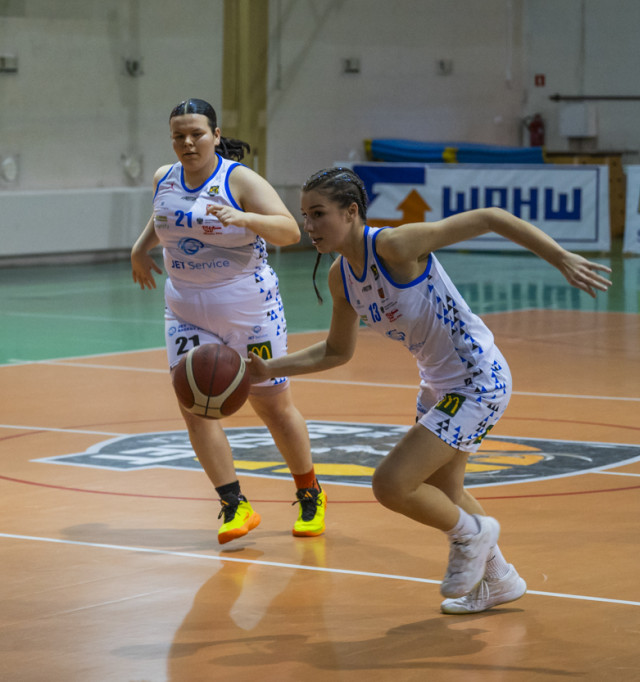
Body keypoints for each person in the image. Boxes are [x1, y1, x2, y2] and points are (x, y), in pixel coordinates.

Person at [247, 167, 612, 612]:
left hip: (478, 377)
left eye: (319, 214)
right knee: (446, 490)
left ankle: (473, 535)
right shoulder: (341, 276)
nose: (309, 226)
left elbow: (491, 217)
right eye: (305, 215)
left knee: (391, 484)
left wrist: (559, 257)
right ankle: (498, 579)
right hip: (438, 385)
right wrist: (269, 368)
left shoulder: (394, 245)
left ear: (351, 212)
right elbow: (337, 351)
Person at [131, 98, 325, 544]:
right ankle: (234, 504)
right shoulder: (164, 176)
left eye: (196, 133)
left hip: (247, 307)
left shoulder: (238, 179)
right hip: (183, 306)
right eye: (178, 135)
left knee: (272, 405)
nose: (187, 142)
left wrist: (244, 217)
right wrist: (140, 248)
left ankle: (310, 491)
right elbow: (163, 214)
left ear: (215, 135)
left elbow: (290, 231)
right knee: (194, 406)